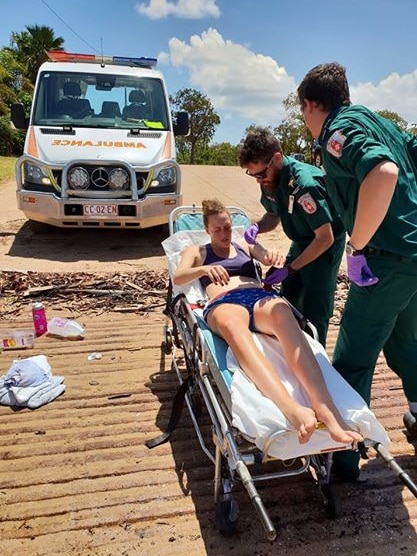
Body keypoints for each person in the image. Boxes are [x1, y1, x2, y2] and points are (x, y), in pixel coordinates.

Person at [297, 61, 417, 480]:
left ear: (311, 104)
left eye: (303, 112)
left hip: (386, 260)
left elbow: (383, 172)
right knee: (406, 344)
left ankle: (341, 459)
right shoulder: (378, 121)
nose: (306, 121)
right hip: (413, 256)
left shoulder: (337, 133)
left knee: (351, 358)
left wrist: (359, 243)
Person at [174, 198, 362, 446]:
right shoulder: (197, 252)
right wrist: (203, 270)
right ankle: (293, 410)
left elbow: (266, 256)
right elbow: (178, 277)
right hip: (224, 301)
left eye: (228, 227)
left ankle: (328, 410)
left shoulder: (244, 245)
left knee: (284, 314)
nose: (224, 233)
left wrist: (270, 256)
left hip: (259, 296)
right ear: (207, 229)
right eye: (217, 229)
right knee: (233, 327)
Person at [238, 127, 345, 346]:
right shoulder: (270, 180)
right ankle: (291, 348)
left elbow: (325, 238)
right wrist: (257, 227)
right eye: (253, 175)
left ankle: (317, 357)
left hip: (324, 248)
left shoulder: (305, 185)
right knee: (288, 296)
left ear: (277, 158)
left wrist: (292, 267)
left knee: (316, 307)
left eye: (260, 174)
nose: (258, 181)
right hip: (301, 241)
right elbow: (273, 214)